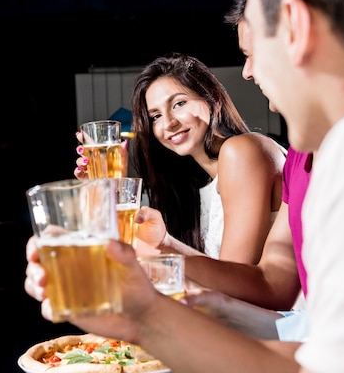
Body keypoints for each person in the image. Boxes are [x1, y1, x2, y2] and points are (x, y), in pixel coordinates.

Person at [27, 0, 344, 373]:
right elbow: (330, 357)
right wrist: (144, 311)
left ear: (295, 25)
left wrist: (151, 314)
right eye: (155, 115)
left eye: (252, 51)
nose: (247, 73)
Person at [77, 52, 286, 266]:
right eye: (156, 116)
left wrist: (165, 245)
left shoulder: (242, 151)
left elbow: (237, 278)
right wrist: (108, 191)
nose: (168, 123)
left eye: (178, 104)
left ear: (211, 96)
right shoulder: (192, 190)